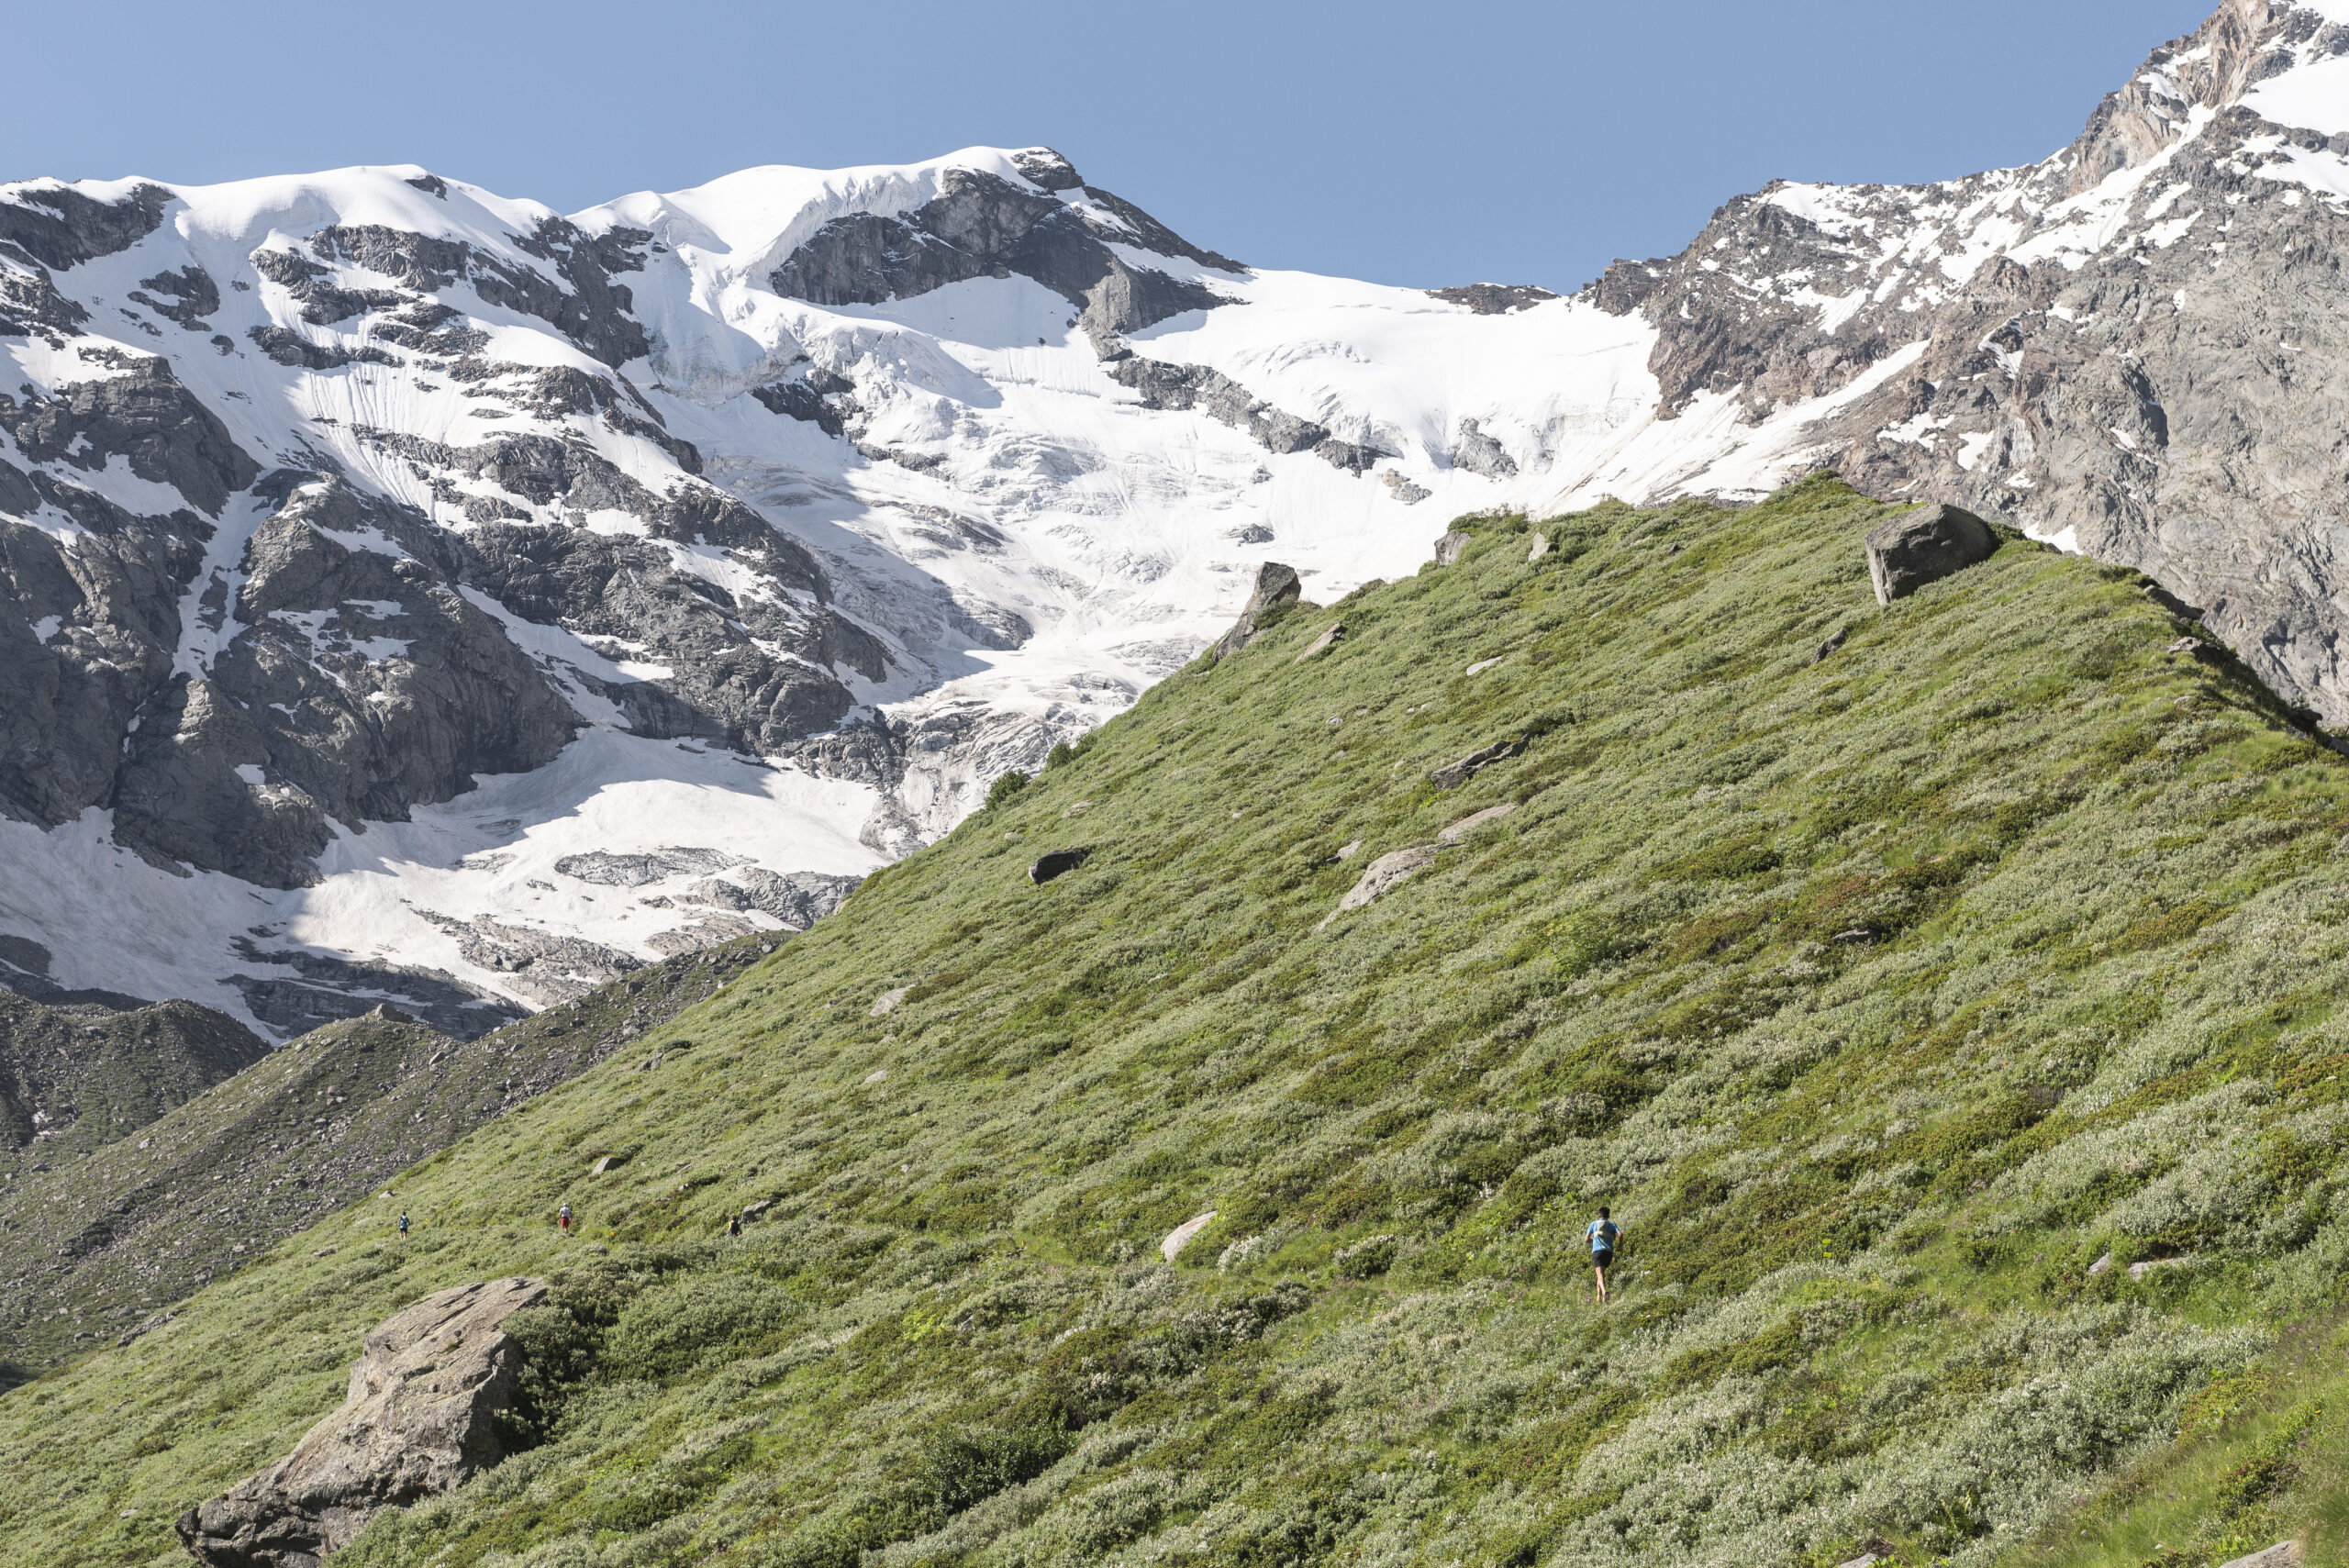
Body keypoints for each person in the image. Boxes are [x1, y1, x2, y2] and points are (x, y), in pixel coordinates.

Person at [1586, 1207, 1622, 1302]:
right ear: (1608, 1216)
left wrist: (1592, 1241)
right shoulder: (1612, 1225)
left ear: (1599, 1215)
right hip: (1608, 1251)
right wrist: (1620, 1245)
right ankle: (1599, 1297)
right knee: (1601, 1274)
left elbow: (1586, 1239)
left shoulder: (1593, 1224)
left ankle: (1604, 1291)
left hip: (1597, 1251)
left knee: (1599, 1274)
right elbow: (1620, 1234)